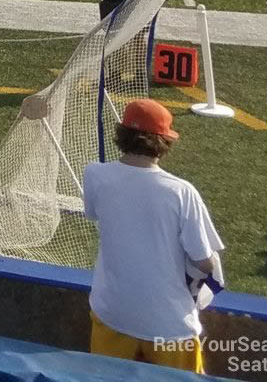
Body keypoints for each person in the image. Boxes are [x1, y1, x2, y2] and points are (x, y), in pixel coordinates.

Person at [82, 99, 222, 372]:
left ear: (121, 135)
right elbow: (205, 261)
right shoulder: (181, 192)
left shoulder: (94, 175)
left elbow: (95, 212)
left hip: (112, 312)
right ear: (164, 142)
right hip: (168, 325)